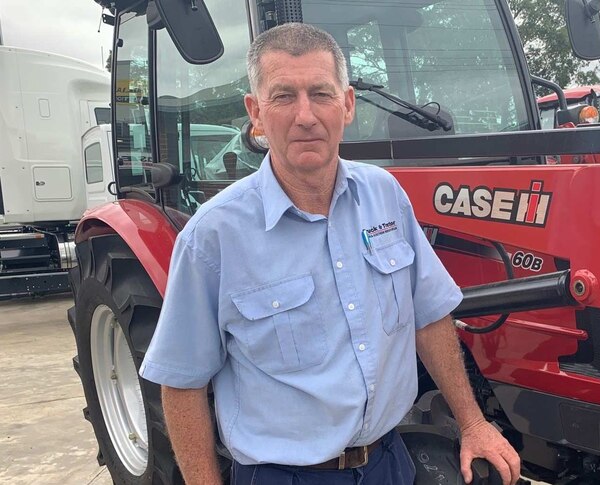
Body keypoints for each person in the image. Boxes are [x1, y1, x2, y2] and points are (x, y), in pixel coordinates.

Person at [139, 23, 521, 485]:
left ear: (348, 104)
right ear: (255, 114)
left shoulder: (385, 196)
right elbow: (181, 381)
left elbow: (429, 315)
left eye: (320, 93)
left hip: (390, 463)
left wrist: (472, 422)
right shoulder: (213, 237)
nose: (305, 115)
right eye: (283, 97)